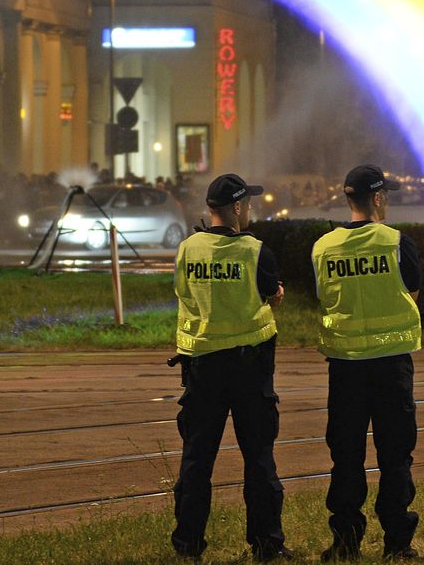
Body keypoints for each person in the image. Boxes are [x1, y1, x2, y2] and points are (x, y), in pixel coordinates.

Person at [169, 173, 292, 561]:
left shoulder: (188, 249)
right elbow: (271, 294)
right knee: (258, 459)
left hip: (202, 367)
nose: (251, 209)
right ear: (237, 207)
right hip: (249, 368)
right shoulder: (255, 251)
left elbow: (184, 293)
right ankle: (266, 544)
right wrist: (276, 295)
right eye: (248, 203)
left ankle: (188, 544)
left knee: (196, 460)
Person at [313, 164, 422, 562]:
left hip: (344, 367)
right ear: (377, 198)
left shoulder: (324, 247)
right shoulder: (396, 242)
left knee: (345, 456)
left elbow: (324, 295)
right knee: (395, 456)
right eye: (386, 195)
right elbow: (411, 289)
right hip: (391, 366)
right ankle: (397, 544)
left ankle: (345, 543)